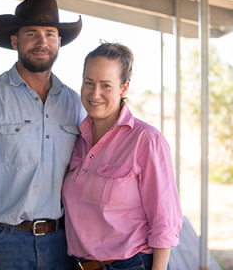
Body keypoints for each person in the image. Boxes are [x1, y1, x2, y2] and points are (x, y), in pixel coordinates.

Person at [0, 0, 86, 270]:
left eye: (50, 34)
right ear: (15, 41)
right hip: (1, 242)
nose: (42, 42)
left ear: (59, 42)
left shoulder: (75, 103)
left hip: (61, 244)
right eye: (32, 33)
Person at [62, 43, 182, 270]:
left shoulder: (146, 141)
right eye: (89, 83)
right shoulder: (76, 139)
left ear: (124, 88)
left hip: (130, 265)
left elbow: (164, 221)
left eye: (106, 85)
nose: (94, 93)